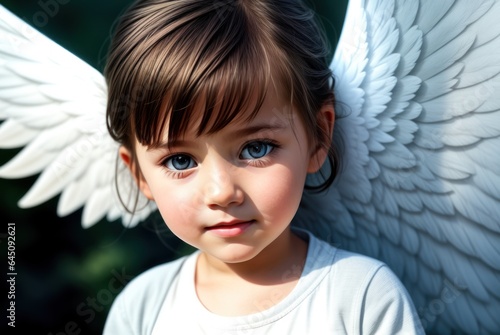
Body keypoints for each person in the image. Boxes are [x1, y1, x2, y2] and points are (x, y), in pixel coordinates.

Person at [102, 0, 425, 333]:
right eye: (180, 160)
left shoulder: (361, 297)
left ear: (318, 136)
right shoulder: (141, 308)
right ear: (138, 172)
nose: (222, 191)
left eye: (255, 149)